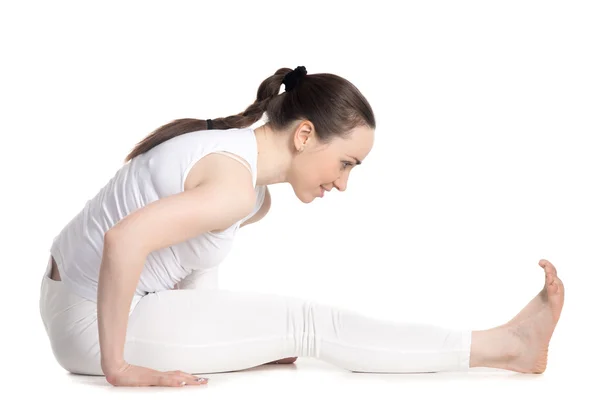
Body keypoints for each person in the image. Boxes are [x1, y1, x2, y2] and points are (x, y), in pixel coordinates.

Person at [39, 66, 565, 388]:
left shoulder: (248, 186)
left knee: (290, 325)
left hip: (83, 306)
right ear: (305, 135)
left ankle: (504, 344)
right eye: (346, 163)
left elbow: (184, 262)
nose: (343, 183)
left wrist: (234, 338)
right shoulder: (233, 186)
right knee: (309, 324)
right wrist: (118, 367)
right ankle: (505, 346)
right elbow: (123, 240)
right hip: (92, 326)